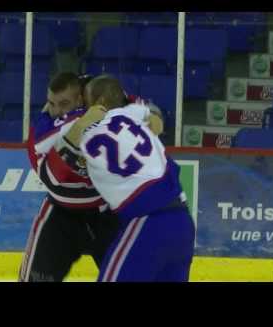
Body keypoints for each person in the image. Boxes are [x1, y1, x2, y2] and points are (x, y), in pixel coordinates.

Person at [58, 76, 195, 282]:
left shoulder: (88, 132)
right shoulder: (133, 113)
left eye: (86, 102)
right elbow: (153, 110)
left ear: (99, 102)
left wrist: (84, 122)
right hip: (182, 222)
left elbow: (64, 156)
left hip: (147, 223)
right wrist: (157, 118)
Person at [19, 72, 120, 282]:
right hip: (59, 216)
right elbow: (38, 143)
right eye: (51, 104)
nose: (56, 112)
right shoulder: (64, 122)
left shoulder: (101, 114)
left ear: (81, 98)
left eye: (64, 104)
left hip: (105, 214)